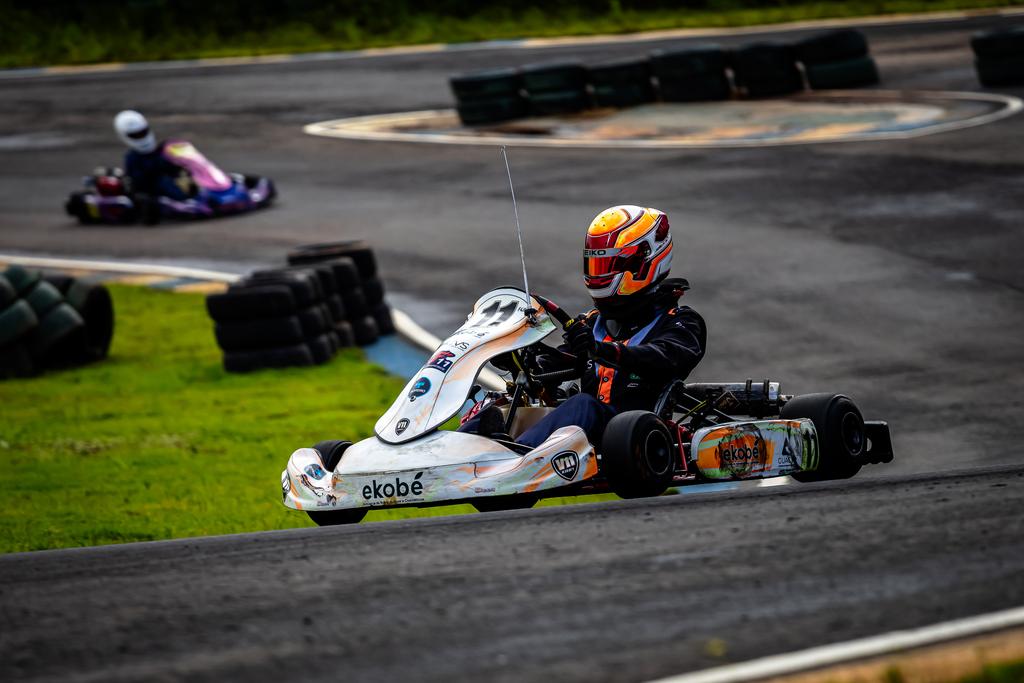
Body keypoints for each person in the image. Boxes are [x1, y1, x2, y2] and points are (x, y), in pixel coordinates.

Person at [462, 204, 707, 449]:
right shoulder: (594, 322)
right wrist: (522, 357)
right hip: (588, 434)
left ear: (643, 261)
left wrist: (600, 350)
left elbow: (662, 359)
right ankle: (446, 458)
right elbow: (562, 364)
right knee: (496, 407)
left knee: (582, 404)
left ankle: (510, 457)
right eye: (597, 265)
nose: (600, 275)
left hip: (636, 437)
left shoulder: (680, 320)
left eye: (609, 266)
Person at [113, 110, 189, 201]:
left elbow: (171, 167)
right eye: (135, 136)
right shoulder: (133, 158)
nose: (140, 137)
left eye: (142, 133)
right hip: (153, 195)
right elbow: (140, 182)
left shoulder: (159, 152)